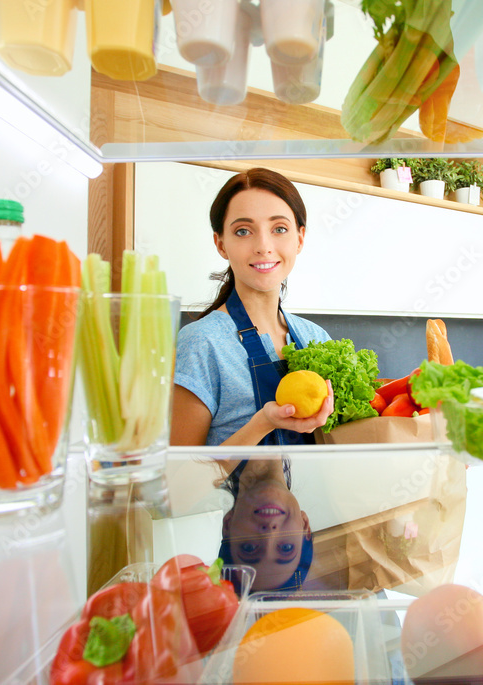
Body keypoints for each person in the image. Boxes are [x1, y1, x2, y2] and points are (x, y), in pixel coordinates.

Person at [171, 168, 334, 447]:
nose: (263, 246)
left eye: (279, 229)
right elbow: (180, 481)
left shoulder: (316, 338)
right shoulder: (201, 343)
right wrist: (264, 423)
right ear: (221, 244)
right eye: (243, 231)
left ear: (299, 238)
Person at [216, 456, 313, 592]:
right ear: (304, 525)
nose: (269, 533)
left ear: (228, 524)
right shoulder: (312, 442)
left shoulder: (207, 451)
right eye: (286, 547)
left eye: (249, 548)